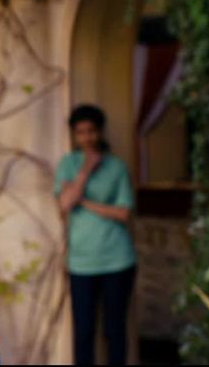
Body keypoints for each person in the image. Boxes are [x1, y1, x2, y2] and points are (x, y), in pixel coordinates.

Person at [55, 104, 136, 365]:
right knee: (83, 332)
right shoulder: (68, 165)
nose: (87, 137)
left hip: (117, 260)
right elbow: (65, 204)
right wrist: (86, 170)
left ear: (100, 132)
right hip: (81, 263)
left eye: (91, 131)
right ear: (74, 135)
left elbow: (123, 213)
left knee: (114, 330)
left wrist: (84, 201)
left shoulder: (117, 167)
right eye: (80, 132)